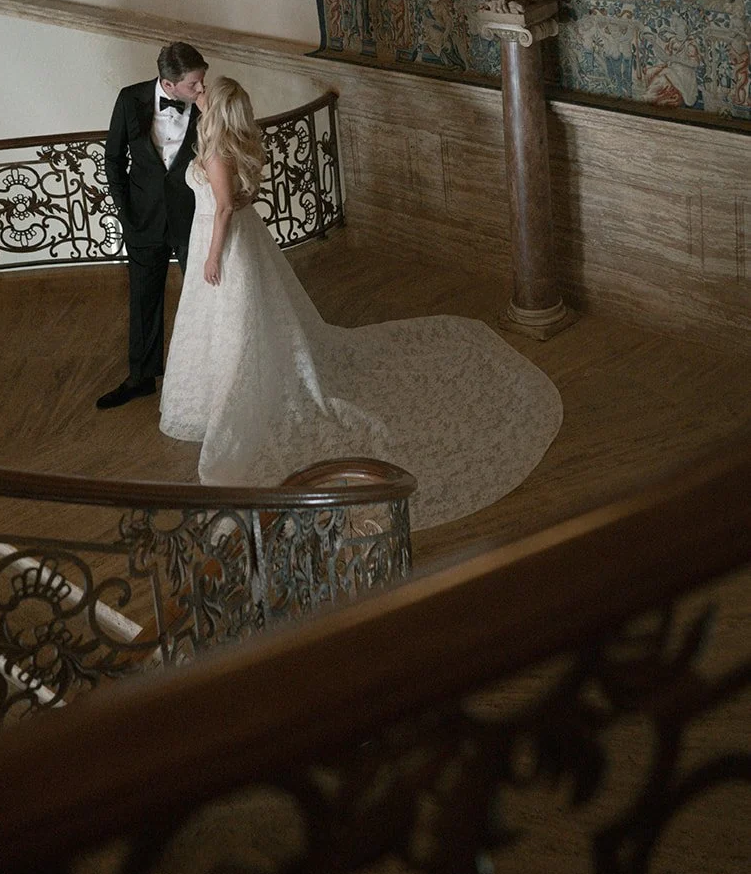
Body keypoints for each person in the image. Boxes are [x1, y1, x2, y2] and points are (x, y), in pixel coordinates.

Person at [159, 78, 563, 529]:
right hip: (242, 243)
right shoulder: (233, 143)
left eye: (206, 95)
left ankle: (242, 389)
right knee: (245, 322)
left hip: (225, 245)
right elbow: (241, 196)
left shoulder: (216, 152)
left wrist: (212, 256)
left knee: (238, 325)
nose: (201, 96)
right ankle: (241, 378)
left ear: (217, 112)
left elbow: (225, 208)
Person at [97, 41, 208, 409]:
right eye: (194, 85)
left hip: (191, 216)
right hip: (142, 219)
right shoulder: (130, 99)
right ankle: (141, 378)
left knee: (202, 297)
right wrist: (126, 214)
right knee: (143, 301)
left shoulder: (207, 107)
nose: (201, 90)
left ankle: (206, 376)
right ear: (169, 84)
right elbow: (113, 159)